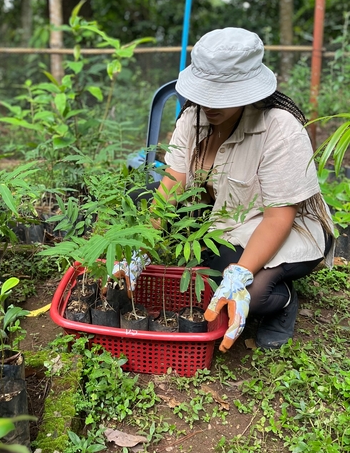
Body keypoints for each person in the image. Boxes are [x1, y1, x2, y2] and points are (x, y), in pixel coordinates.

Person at [124, 27, 334, 352]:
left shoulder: (279, 128)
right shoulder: (192, 118)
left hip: (283, 226)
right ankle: (235, 269)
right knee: (142, 197)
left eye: (223, 95)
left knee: (249, 291)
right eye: (206, 93)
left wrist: (238, 276)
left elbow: (280, 216)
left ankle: (283, 302)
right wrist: (141, 246)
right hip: (225, 218)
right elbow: (172, 184)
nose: (209, 104)